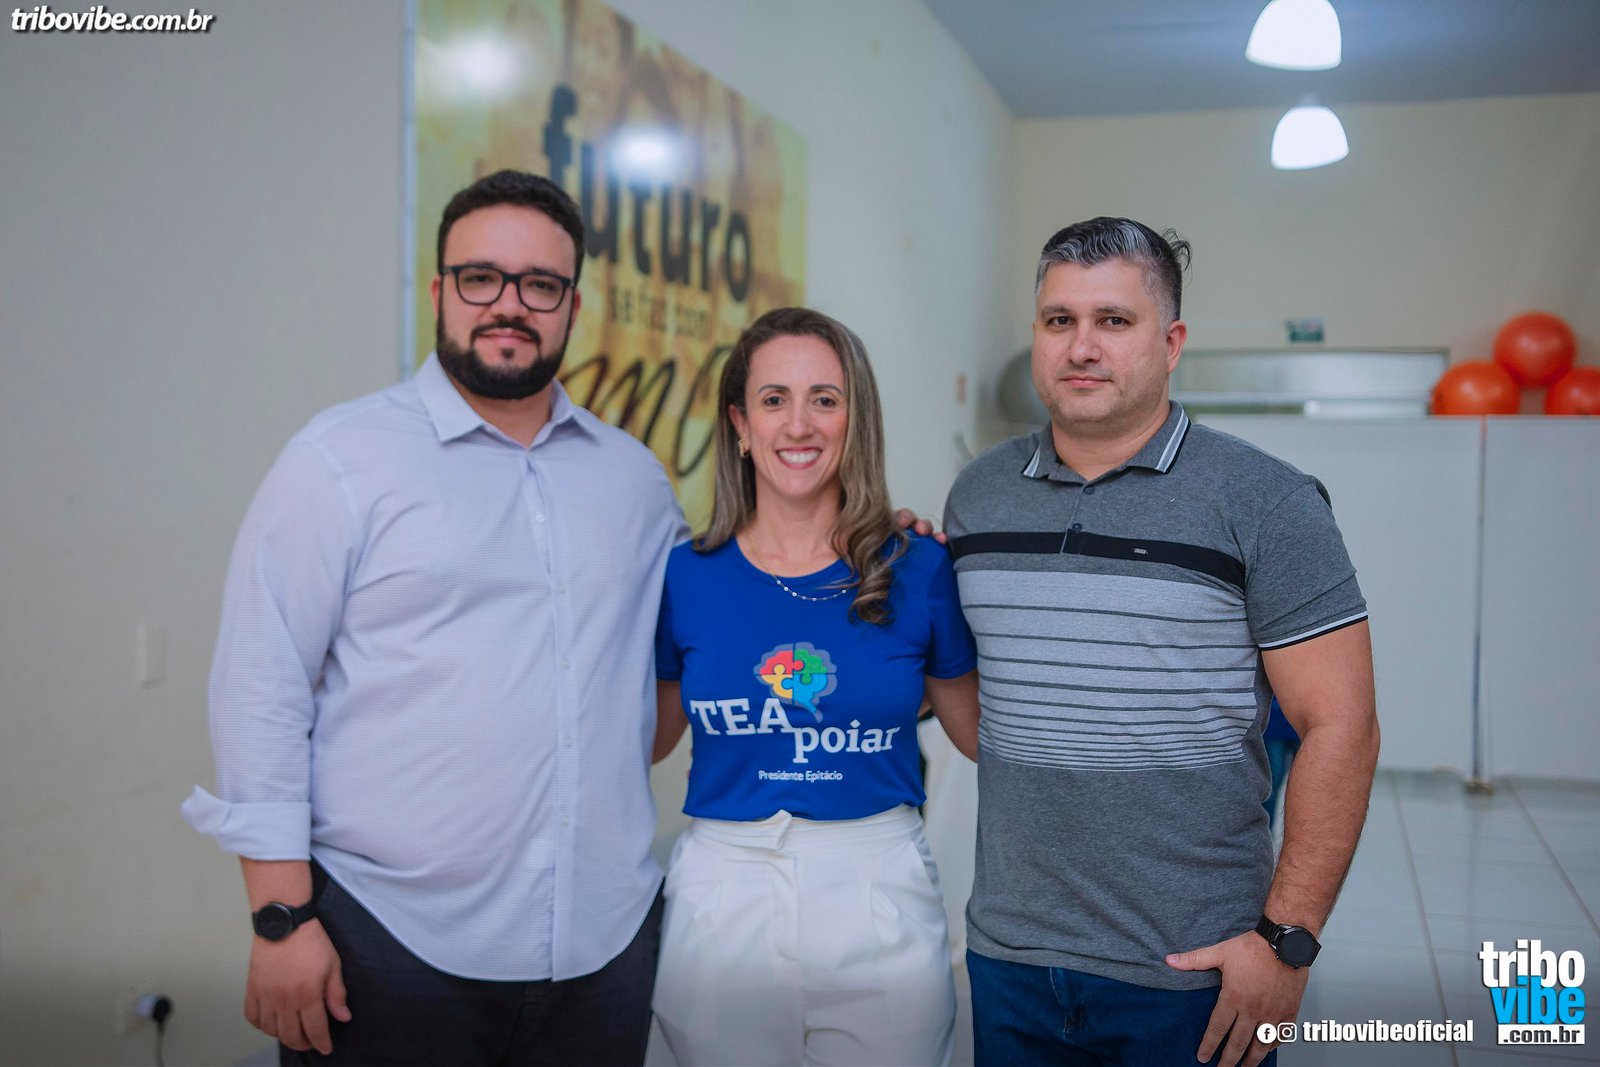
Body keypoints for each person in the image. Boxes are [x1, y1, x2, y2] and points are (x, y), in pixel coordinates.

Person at [181, 170, 685, 1065]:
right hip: (387, 948)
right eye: (480, 277)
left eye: (541, 284)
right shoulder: (339, 460)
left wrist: (878, 545)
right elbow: (261, 689)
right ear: (439, 291)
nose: (509, 304)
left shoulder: (635, 482)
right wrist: (279, 917)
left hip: (602, 950)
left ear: (573, 306)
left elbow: (706, 630)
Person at [943, 218, 1380, 1067]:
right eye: (1060, 320)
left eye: (1114, 320)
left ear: (1171, 342)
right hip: (1010, 959)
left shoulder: (1267, 500)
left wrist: (1286, 943)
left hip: (1192, 973)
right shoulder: (976, 498)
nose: (1082, 346)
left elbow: (1344, 727)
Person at [651, 306, 982, 1066]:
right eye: (774, 400)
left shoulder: (922, 569)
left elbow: (983, 739)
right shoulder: (683, 576)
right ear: (740, 424)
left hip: (877, 885)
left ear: (854, 420)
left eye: (824, 399)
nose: (798, 424)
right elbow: (649, 738)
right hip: (722, 891)